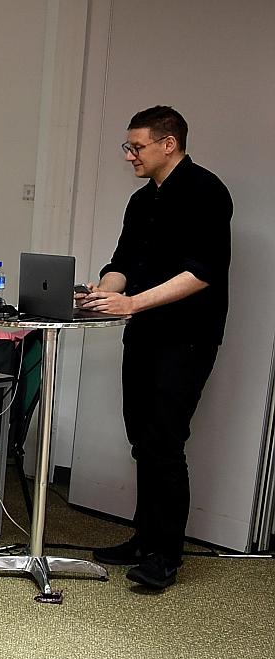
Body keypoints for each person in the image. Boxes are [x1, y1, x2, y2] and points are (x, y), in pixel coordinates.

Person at [79, 106, 233, 591]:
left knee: (165, 442)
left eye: (137, 146)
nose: (130, 155)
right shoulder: (142, 201)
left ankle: (166, 554)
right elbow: (123, 258)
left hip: (185, 338)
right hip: (143, 332)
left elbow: (203, 271)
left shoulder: (207, 192)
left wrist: (131, 302)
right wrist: (107, 292)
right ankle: (144, 538)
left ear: (169, 143)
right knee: (141, 438)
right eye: (128, 147)